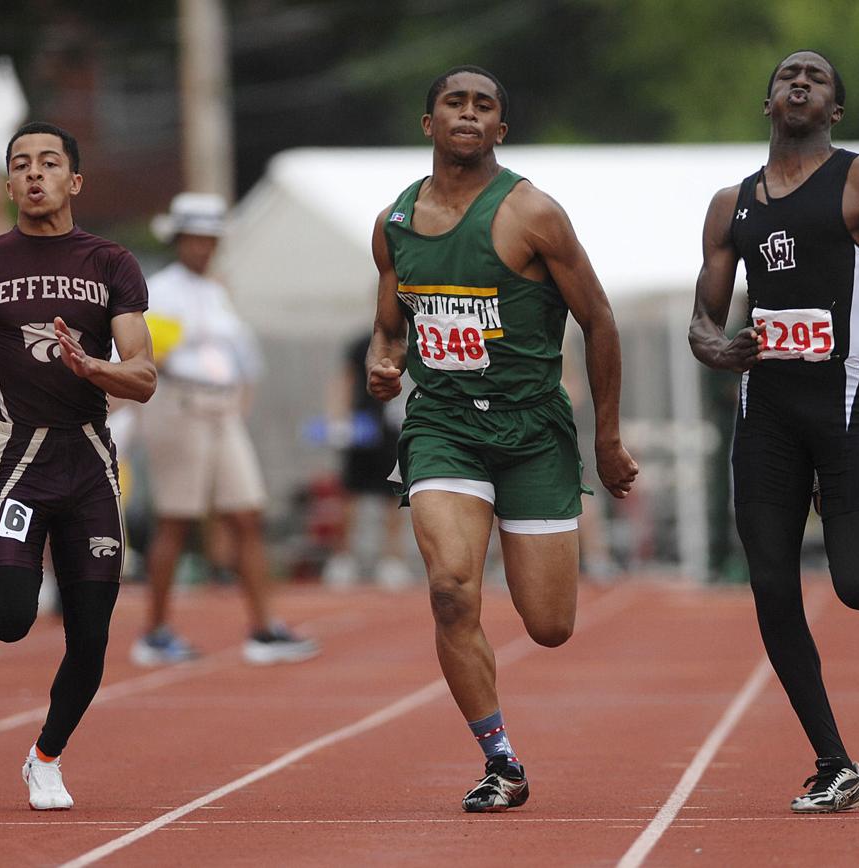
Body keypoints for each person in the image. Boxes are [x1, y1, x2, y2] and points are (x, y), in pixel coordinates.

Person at [688, 50, 859, 813]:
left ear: (835, 110)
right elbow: (704, 322)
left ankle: (843, 498)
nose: (801, 82)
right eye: (787, 75)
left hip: (845, 411)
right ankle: (833, 761)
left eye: (816, 77)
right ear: (768, 101)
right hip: (767, 419)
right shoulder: (730, 205)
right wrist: (718, 348)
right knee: (772, 587)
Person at [367, 65, 638, 812]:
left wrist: (607, 438)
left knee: (549, 625)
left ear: (500, 130)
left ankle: (505, 736)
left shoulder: (531, 214)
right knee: (452, 589)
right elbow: (389, 329)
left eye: (483, 105)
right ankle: (500, 760)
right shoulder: (393, 224)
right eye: (454, 102)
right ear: (429, 124)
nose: (468, 113)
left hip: (532, 430)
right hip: (443, 424)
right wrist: (383, 364)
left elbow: (601, 320)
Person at [0, 122, 157, 810]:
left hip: (90, 458)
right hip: (17, 452)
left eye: (50, 163)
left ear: (74, 181)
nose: (35, 174)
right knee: (12, 617)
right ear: (11, 183)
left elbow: (143, 375)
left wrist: (93, 364)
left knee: (92, 634)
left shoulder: (111, 263)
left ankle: (46, 755)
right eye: (22, 165)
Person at [130, 192, 318, 667]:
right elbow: (147, 358)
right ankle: (154, 631)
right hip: (179, 404)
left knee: (248, 513)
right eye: (195, 238)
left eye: (210, 239)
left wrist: (237, 396)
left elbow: (241, 358)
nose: (203, 247)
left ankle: (263, 628)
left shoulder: (216, 292)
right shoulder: (161, 291)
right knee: (176, 520)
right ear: (178, 240)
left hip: (221, 410)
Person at [321, 330, 410, 589]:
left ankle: (392, 561)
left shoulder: (416, 341)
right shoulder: (361, 343)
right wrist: (337, 419)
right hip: (361, 424)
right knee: (350, 492)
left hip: (393, 427)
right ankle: (343, 559)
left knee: (393, 492)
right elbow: (345, 381)